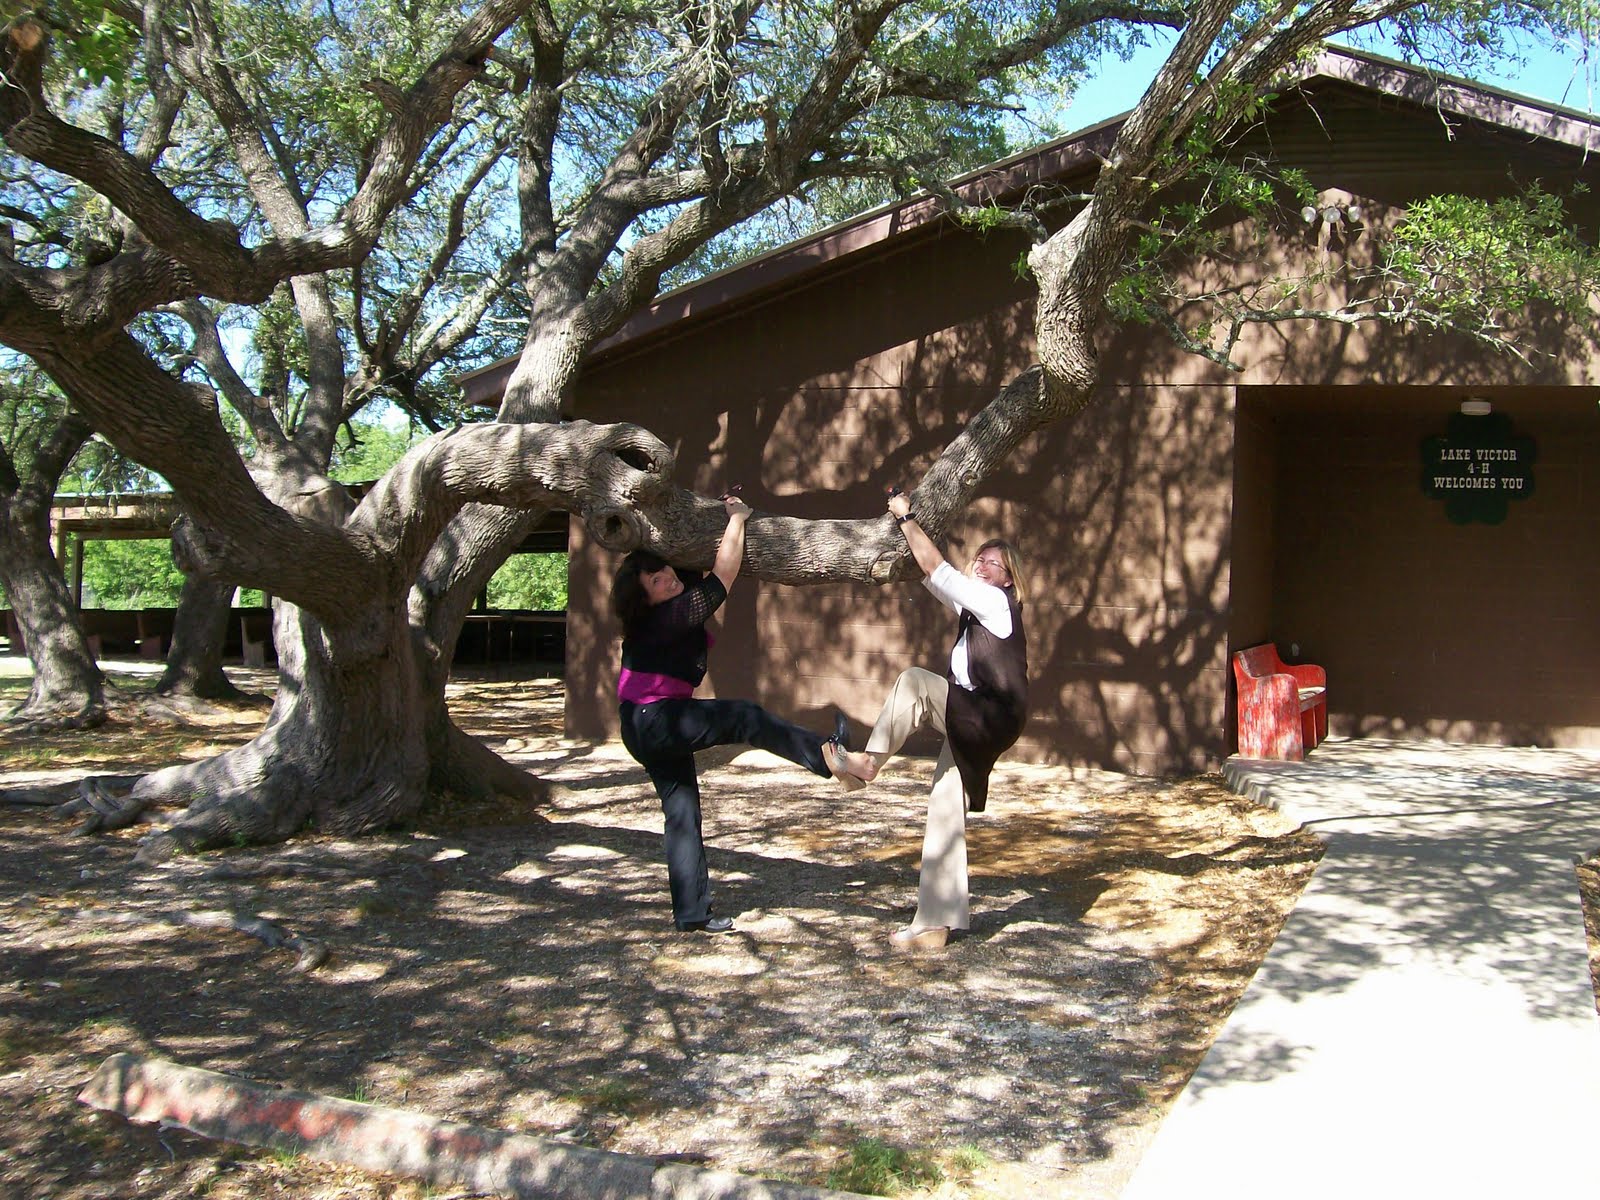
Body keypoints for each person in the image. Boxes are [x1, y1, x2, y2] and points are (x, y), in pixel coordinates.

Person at [612, 489, 849, 935]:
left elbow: (684, 562)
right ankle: (825, 755)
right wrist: (738, 517)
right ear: (648, 600)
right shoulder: (669, 616)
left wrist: (710, 514)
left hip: (643, 726)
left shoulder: (666, 602)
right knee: (744, 716)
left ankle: (691, 914)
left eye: (662, 571)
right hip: (656, 720)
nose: (667, 578)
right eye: (657, 583)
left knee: (682, 813)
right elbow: (724, 574)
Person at [825, 488, 1029, 951]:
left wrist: (908, 518)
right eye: (977, 559)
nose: (978, 566)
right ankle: (935, 923)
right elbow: (933, 579)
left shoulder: (997, 604)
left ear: (1009, 578)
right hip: (979, 718)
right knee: (943, 805)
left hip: (988, 714)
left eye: (989, 563)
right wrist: (900, 556)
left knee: (915, 682)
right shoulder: (977, 607)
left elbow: (940, 569)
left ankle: (869, 765)